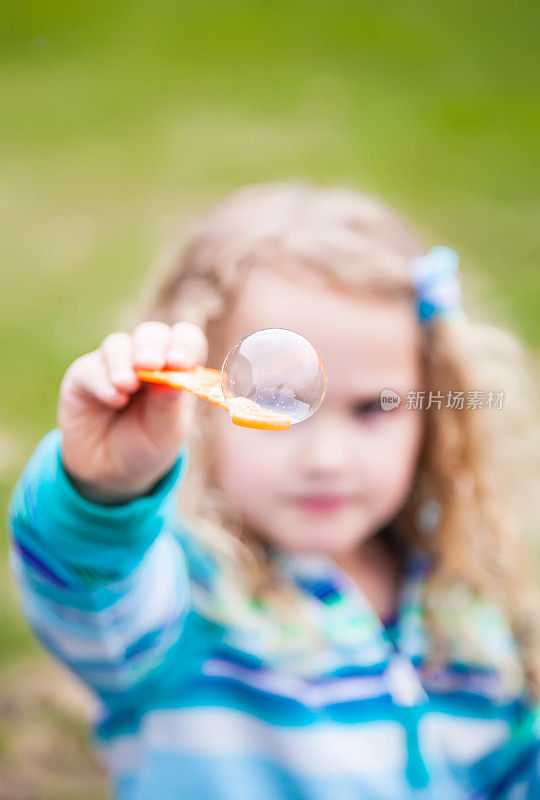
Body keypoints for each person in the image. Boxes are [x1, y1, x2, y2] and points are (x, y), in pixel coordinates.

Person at [8, 182, 539, 799]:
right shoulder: (185, 606)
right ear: (197, 409)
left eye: (374, 407)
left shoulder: (465, 604)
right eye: (276, 406)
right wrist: (108, 492)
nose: (327, 459)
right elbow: (86, 587)